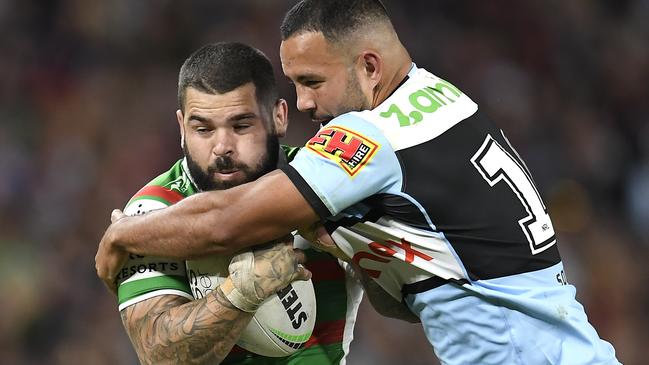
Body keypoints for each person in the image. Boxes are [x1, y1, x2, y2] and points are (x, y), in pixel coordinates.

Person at [96, 1, 620, 364]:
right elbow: (413, 293)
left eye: (312, 83)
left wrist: (123, 235)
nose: (304, 104)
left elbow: (228, 221)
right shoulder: (439, 98)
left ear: (369, 67)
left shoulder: (371, 136)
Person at [114, 42, 371, 365]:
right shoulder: (151, 211)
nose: (222, 147)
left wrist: (361, 252)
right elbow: (160, 355)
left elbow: (400, 305)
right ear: (181, 128)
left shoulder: (325, 182)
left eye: (241, 126)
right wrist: (241, 293)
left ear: (278, 116)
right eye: (202, 129)